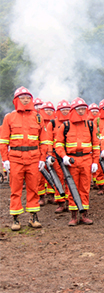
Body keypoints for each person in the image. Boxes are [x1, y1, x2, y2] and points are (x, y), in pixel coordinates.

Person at [0, 87, 48, 231]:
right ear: (16, 100)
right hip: (15, 158)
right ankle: (16, 219)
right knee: (15, 189)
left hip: (33, 158)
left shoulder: (38, 117)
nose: (26, 100)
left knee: (33, 188)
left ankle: (33, 218)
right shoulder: (9, 117)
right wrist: (5, 159)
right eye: (22, 97)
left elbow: (44, 140)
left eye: (28, 97)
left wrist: (42, 158)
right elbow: (3, 141)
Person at [55, 98, 100, 226]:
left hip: (87, 159)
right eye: (78, 108)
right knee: (72, 188)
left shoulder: (91, 125)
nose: (81, 111)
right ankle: (74, 216)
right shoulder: (65, 126)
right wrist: (64, 157)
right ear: (73, 110)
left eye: (83, 109)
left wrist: (95, 161)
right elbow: (58, 144)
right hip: (72, 161)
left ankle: (84, 215)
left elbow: (96, 145)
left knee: (85, 188)